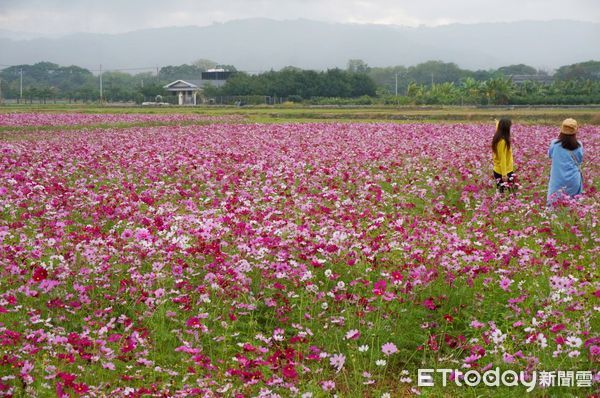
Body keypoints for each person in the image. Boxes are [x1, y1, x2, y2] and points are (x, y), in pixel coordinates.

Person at [547, 118, 583, 204]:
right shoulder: (579, 145)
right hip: (573, 179)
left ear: (561, 130)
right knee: (573, 205)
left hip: (557, 180)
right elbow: (580, 160)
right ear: (575, 131)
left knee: (554, 204)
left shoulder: (554, 144)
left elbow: (550, 155)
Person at [491, 118, 515, 193]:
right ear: (506, 128)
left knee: (504, 192)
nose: (510, 129)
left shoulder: (498, 136)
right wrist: (504, 174)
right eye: (509, 127)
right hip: (503, 171)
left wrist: (497, 123)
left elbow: (498, 127)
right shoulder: (502, 141)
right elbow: (502, 158)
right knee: (511, 193)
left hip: (502, 169)